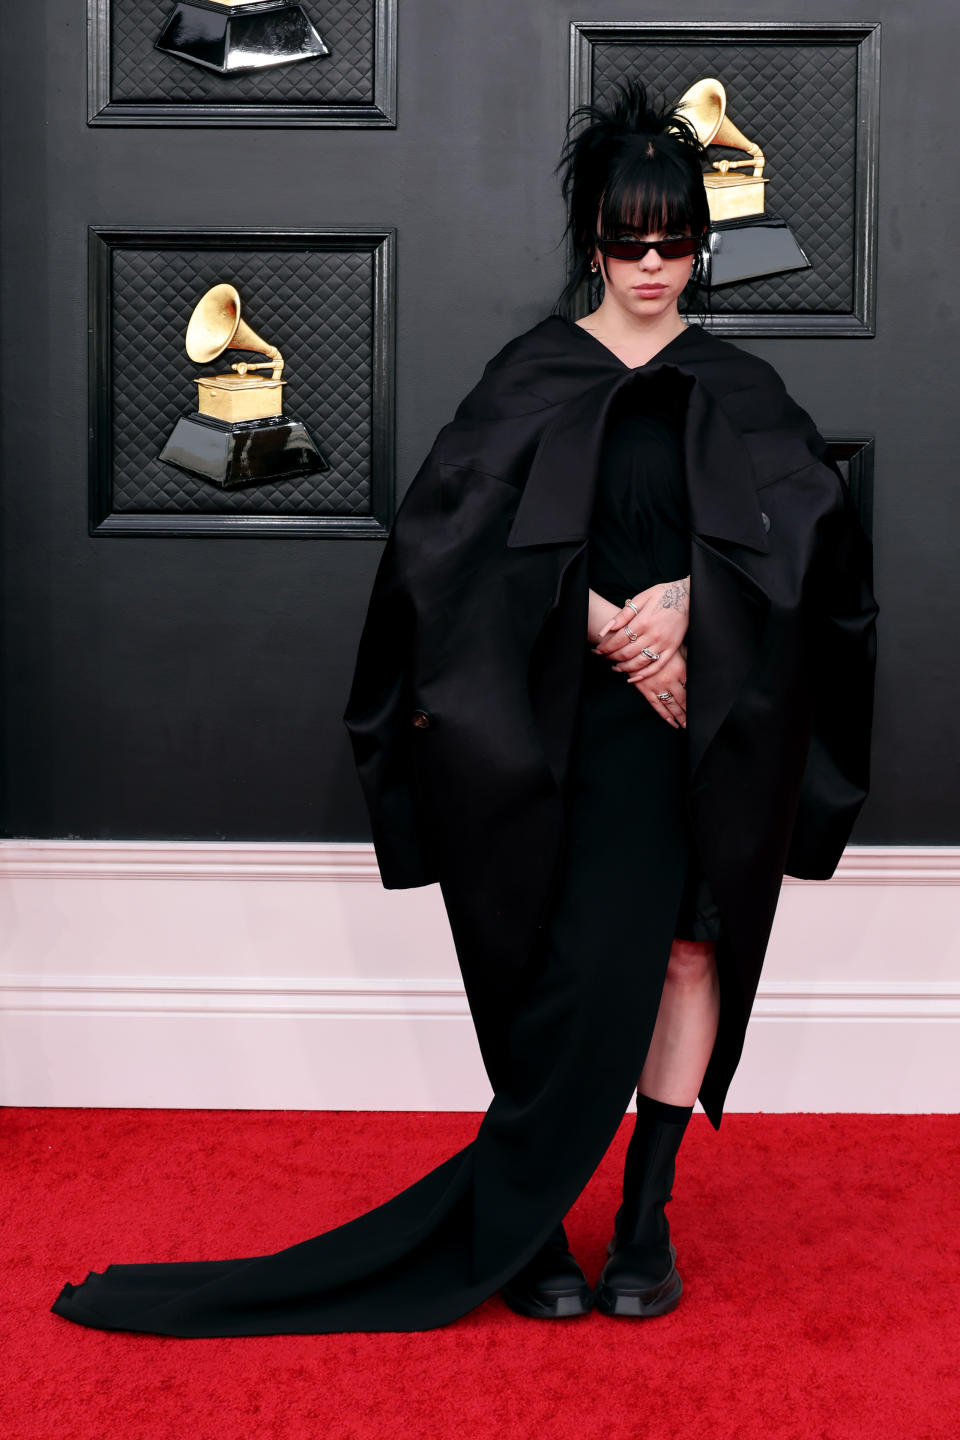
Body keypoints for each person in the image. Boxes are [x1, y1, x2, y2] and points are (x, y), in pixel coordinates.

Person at [49, 77, 878, 1337]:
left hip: (694, 727)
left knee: (690, 946)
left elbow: (814, 551)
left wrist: (696, 611)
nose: (650, 267)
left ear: (701, 244)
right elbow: (445, 550)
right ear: (591, 239)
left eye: (673, 244)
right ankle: (535, 1215)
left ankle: (643, 1211)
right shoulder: (533, 372)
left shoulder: (742, 386)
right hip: (559, 721)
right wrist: (596, 619)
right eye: (625, 241)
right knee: (540, 956)